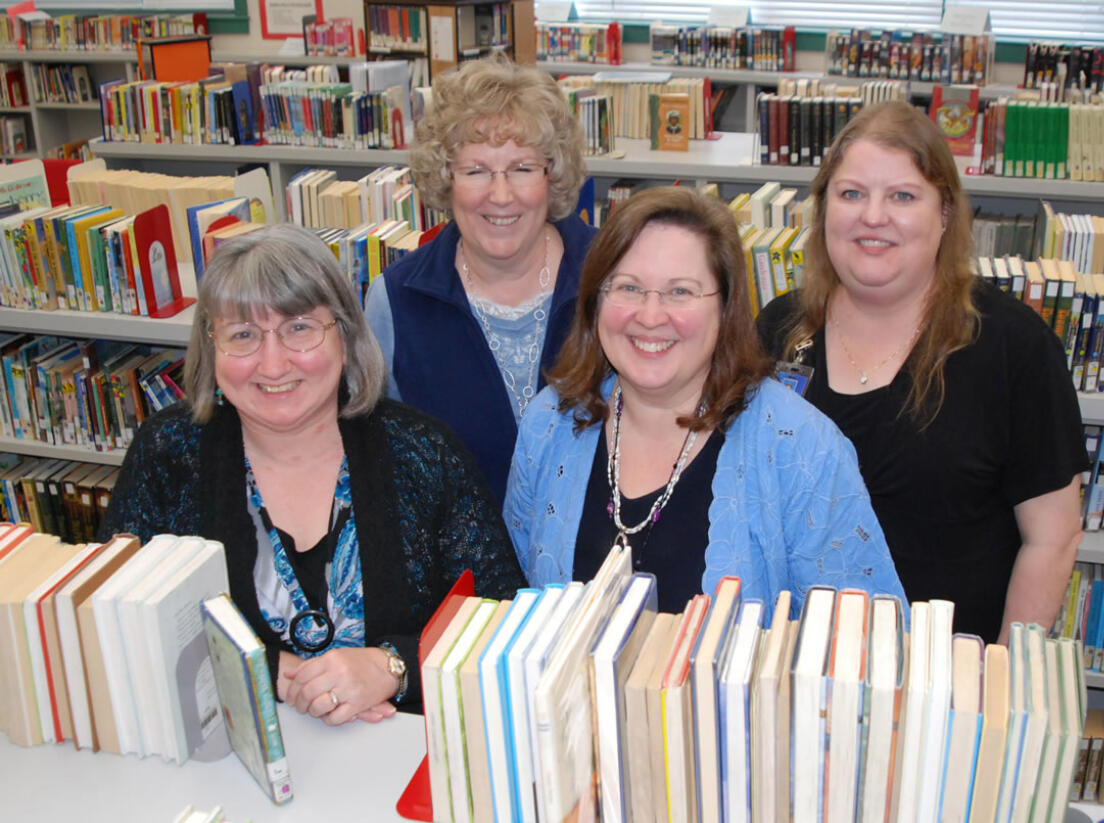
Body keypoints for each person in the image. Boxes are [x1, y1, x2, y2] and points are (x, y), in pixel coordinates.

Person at [101, 224, 524, 723]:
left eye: (299, 328)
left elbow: (503, 620)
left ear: (343, 335)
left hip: (398, 759)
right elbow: (116, 617)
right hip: (225, 757)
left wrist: (395, 667)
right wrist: (252, 667)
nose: (273, 363)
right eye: (242, 335)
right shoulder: (168, 452)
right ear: (211, 347)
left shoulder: (424, 453)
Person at [757, 101, 1086, 643]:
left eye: (903, 196)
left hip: (948, 680)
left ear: (946, 214)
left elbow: (1053, 538)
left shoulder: (1013, 347)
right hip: (796, 663)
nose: (873, 216)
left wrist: (996, 676)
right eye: (851, 193)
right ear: (823, 209)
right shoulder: (778, 330)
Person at [504, 186, 906, 613]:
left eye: (680, 292)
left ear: (726, 307)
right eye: (628, 287)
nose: (651, 315)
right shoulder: (550, 422)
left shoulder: (804, 450)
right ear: (595, 300)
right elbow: (524, 612)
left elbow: (863, 646)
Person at [364, 55, 597, 505]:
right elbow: (381, 468)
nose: (501, 195)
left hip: (602, 567)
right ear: (445, 178)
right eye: (476, 171)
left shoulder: (611, 275)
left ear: (552, 175)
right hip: (458, 570)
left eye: (522, 168)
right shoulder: (395, 303)